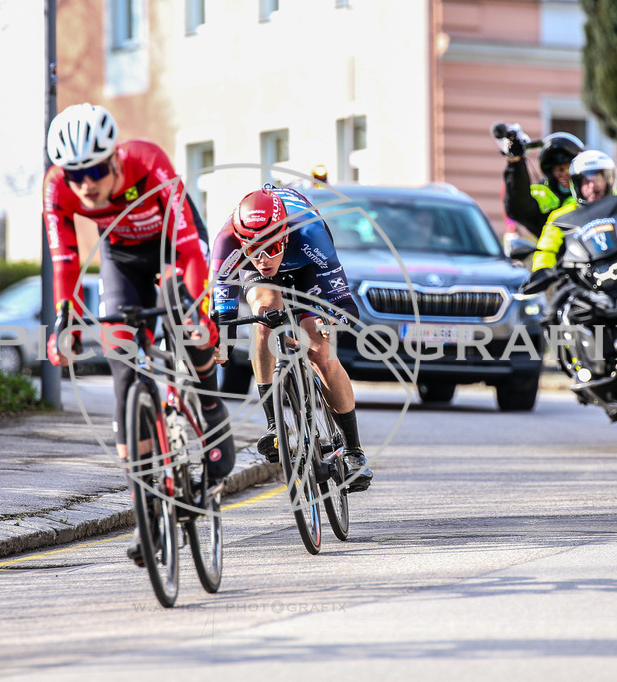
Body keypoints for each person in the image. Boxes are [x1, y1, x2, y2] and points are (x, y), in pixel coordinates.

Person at [41, 103, 233, 565]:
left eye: (94, 170)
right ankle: (145, 511)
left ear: (114, 159)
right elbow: (65, 259)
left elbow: (189, 252)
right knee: (123, 368)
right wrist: (64, 321)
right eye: (74, 174)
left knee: (191, 331)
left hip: (174, 248)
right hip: (122, 260)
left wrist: (198, 313)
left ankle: (209, 409)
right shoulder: (57, 189)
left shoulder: (148, 163)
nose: (85, 184)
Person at [209, 186, 373, 493]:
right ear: (241, 242)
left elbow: (343, 301)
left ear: (284, 236)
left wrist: (333, 320)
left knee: (320, 350)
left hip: (306, 268)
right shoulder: (227, 241)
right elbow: (222, 313)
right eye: (253, 250)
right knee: (263, 318)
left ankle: (353, 451)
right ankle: (274, 424)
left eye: (271, 248)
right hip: (263, 284)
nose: (263, 259)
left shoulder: (309, 232)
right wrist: (223, 343)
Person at [503, 130, 584, 238]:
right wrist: (516, 163)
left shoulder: (595, 191)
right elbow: (519, 205)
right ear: (549, 172)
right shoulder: (542, 195)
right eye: (559, 170)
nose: (564, 174)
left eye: (568, 168)